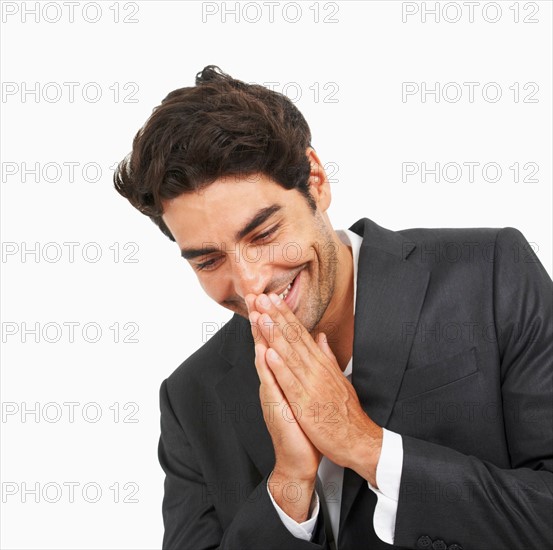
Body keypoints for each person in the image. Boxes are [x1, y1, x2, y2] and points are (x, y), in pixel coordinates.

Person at [113, 65, 553, 550]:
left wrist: (368, 447)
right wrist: (288, 488)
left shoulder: (489, 275)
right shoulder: (189, 397)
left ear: (316, 181)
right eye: (209, 260)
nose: (251, 281)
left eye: (263, 233)